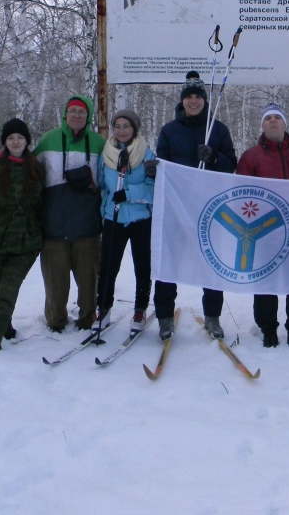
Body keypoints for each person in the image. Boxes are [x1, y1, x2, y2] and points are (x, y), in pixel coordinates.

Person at [154, 71, 237, 341]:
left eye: (197, 96)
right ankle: (164, 317)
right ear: (182, 100)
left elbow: (231, 164)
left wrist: (213, 157)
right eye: (188, 96)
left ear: (204, 100)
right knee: (168, 262)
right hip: (177, 207)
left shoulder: (217, 129)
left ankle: (213, 316)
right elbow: (162, 164)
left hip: (209, 208)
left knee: (211, 263)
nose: (193, 101)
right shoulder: (169, 130)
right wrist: (153, 170)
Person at [237, 103, 289, 348]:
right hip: (264, 231)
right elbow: (241, 192)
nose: (273, 121)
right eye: (268, 118)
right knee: (265, 282)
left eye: (277, 118)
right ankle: (268, 328)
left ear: (285, 123)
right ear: (262, 125)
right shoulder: (251, 156)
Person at [0, 119, 45, 358]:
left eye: (20, 138)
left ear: (27, 142)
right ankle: (6, 326)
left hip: (26, 240)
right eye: (11, 138)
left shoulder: (36, 168)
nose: (16, 142)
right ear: (5, 141)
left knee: (7, 290)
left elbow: (44, 205)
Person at [34, 96, 106, 332]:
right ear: (65, 114)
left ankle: (87, 320)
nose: (77, 115)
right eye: (72, 111)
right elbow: (29, 170)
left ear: (89, 116)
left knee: (88, 281)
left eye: (82, 112)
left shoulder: (98, 143)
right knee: (56, 282)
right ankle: (55, 321)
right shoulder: (48, 140)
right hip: (54, 225)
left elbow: (110, 177)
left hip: (87, 226)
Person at [96, 109, 157, 337]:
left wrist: (129, 193)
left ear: (135, 129)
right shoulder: (106, 154)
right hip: (114, 217)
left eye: (126, 126)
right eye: (117, 126)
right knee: (108, 267)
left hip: (140, 218)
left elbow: (154, 189)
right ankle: (103, 309)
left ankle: (140, 310)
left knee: (142, 266)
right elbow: (101, 184)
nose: (121, 131)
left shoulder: (147, 155)